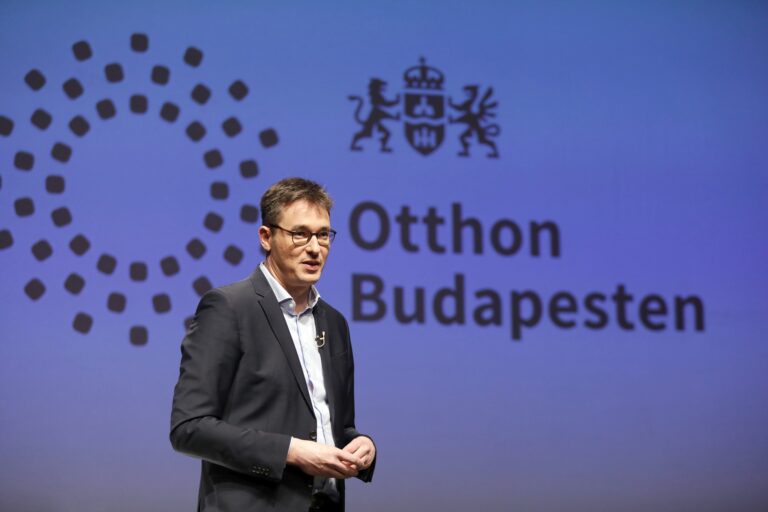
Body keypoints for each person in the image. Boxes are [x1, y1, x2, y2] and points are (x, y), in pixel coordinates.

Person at [170, 177, 376, 511]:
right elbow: (189, 428)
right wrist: (291, 452)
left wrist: (360, 443)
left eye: (323, 234)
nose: (315, 248)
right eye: (300, 234)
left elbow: (334, 426)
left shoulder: (334, 323)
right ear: (266, 237)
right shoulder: (229, 308)